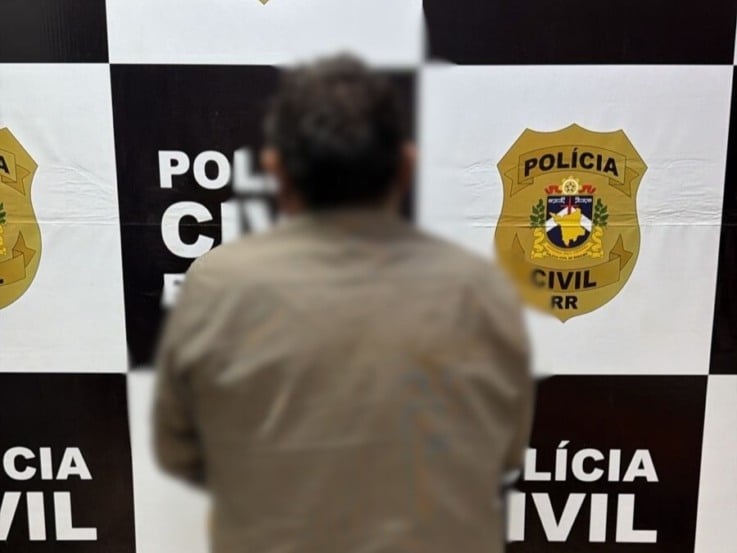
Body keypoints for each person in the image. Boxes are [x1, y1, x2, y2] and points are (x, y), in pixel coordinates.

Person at [153, 54, 534, 553]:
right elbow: (506, 452)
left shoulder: (216, 285)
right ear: (406, 166)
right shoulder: (480, 289)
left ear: (276, 171)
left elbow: (180, 453)